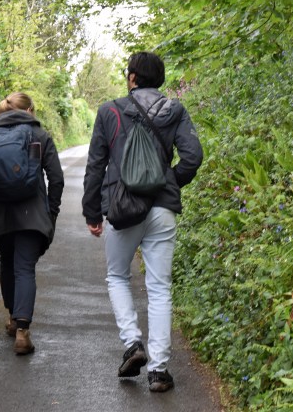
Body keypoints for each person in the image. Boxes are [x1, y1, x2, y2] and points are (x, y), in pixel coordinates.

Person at [82, 52, 203, 393]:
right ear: (160, 79)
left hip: (123, 209)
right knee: (160, 287)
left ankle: (133, 343)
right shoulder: (174, 110)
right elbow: (193, 156)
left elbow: (95, 165)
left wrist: (93, 212)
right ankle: (159, 371)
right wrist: (171, 181)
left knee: (117, 275)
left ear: (132, 77)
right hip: (162, 209)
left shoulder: (109, 111)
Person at [0, 92, 64, 355]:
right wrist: (51, 212)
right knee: (24, 267)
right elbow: (56, 178)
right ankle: (23, 331)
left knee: (7, 263)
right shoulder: (40, 135)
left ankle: (13, 318)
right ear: (30, 110)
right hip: (31, 214)